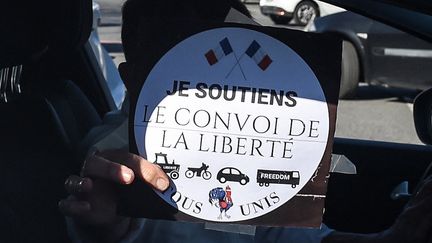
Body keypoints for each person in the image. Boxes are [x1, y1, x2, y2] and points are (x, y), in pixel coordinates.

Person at [59, 0, 432, 242]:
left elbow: (285, 236)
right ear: (131, 78)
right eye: (188, 65)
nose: (222, 87)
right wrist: (109, 225)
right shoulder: (112, 159)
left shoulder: (253, 153)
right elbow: (105, 221)